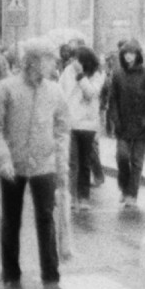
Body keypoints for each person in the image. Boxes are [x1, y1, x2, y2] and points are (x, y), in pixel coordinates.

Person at [0, 40, 70, 289]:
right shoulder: (5, 89)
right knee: (11, 220)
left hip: (44, 165)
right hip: (13, 164)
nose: (54, 64)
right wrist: (2, 159)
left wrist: (62, 167)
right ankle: (11, 277)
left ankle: (51, 282)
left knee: (46, 220)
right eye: (49, 58)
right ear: (33, 60)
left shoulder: (55, 92)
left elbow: (61, 130)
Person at [105, 41, 145, 208]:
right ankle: (124, 186)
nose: (128, 56)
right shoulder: (117, 74)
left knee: (136, 161)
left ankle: (132, 194)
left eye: (132, 53)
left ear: (138, 55)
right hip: (123, 124)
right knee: (122, 156)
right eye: (125, 53)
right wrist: (116, 120)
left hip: (141, 124)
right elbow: (112, 99)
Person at [62, 46, 106, 211]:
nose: (75, 62)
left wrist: (80, 76)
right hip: (70, 122)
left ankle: (84, 198)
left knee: (85, 163)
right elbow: (62, 91)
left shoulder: (98, 74)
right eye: (74, 59)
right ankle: (72, 198)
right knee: (72, 162)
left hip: (87, 124)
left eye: (78, 59)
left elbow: (91, 93)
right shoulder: (68, 71)